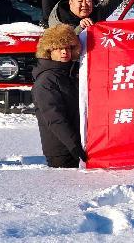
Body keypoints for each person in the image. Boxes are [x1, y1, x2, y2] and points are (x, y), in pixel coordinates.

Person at [32, 24, 87, 168]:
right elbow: (55, 118)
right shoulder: (46, 81)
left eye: (68, 47)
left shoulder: (72, 73)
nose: (64, 52)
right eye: (59, 48)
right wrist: (74, 146)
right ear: (48, 51)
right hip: (62, 151)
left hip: (80, 145)